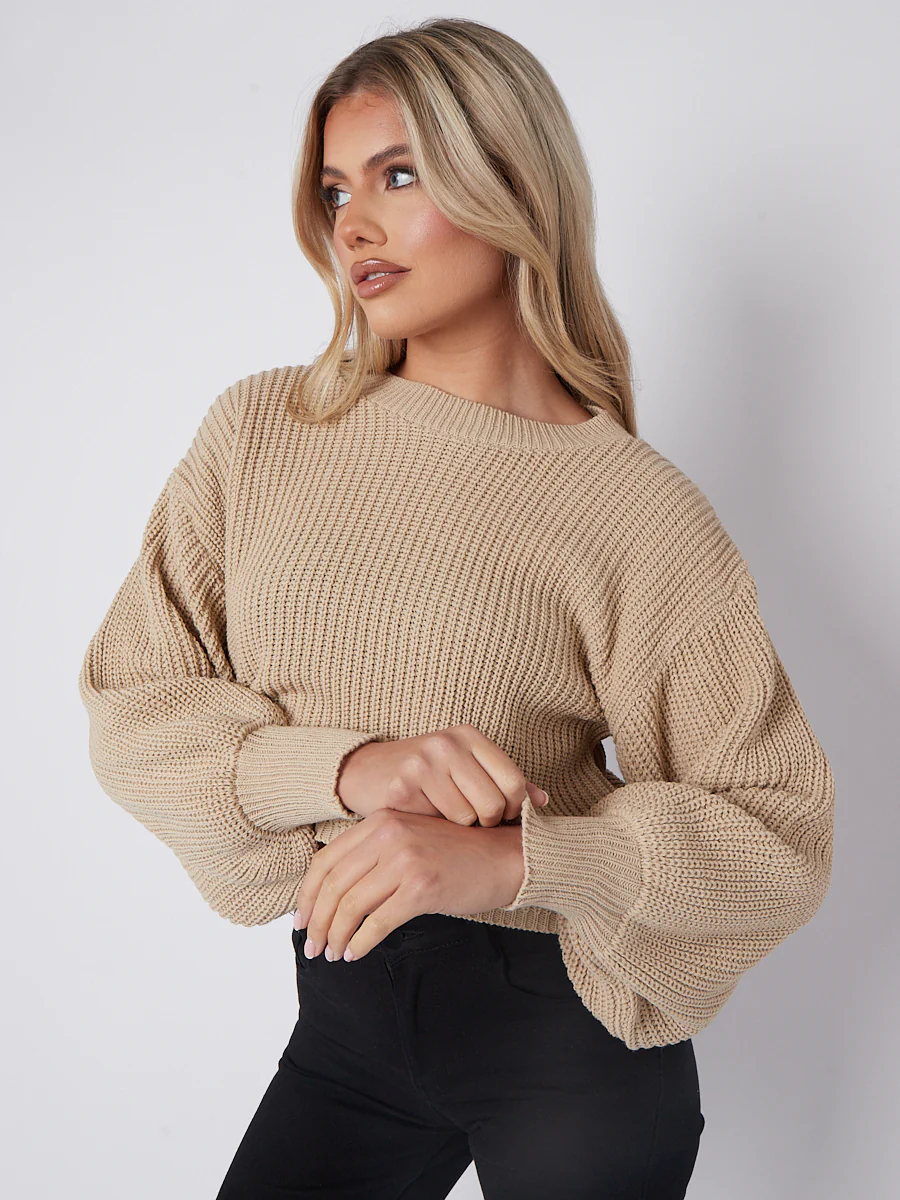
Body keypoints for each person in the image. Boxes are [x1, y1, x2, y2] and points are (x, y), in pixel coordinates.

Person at [77, 17, 835, 1200]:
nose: (353, 225)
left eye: (398, 175)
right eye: (336, 190)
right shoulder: (262, 435)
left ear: (514, 184)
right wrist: (351, 770)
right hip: (344, 1034)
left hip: (567, 1055)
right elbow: (132, 708)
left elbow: (777, 833)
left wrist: (511, 863)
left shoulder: (632, 507)